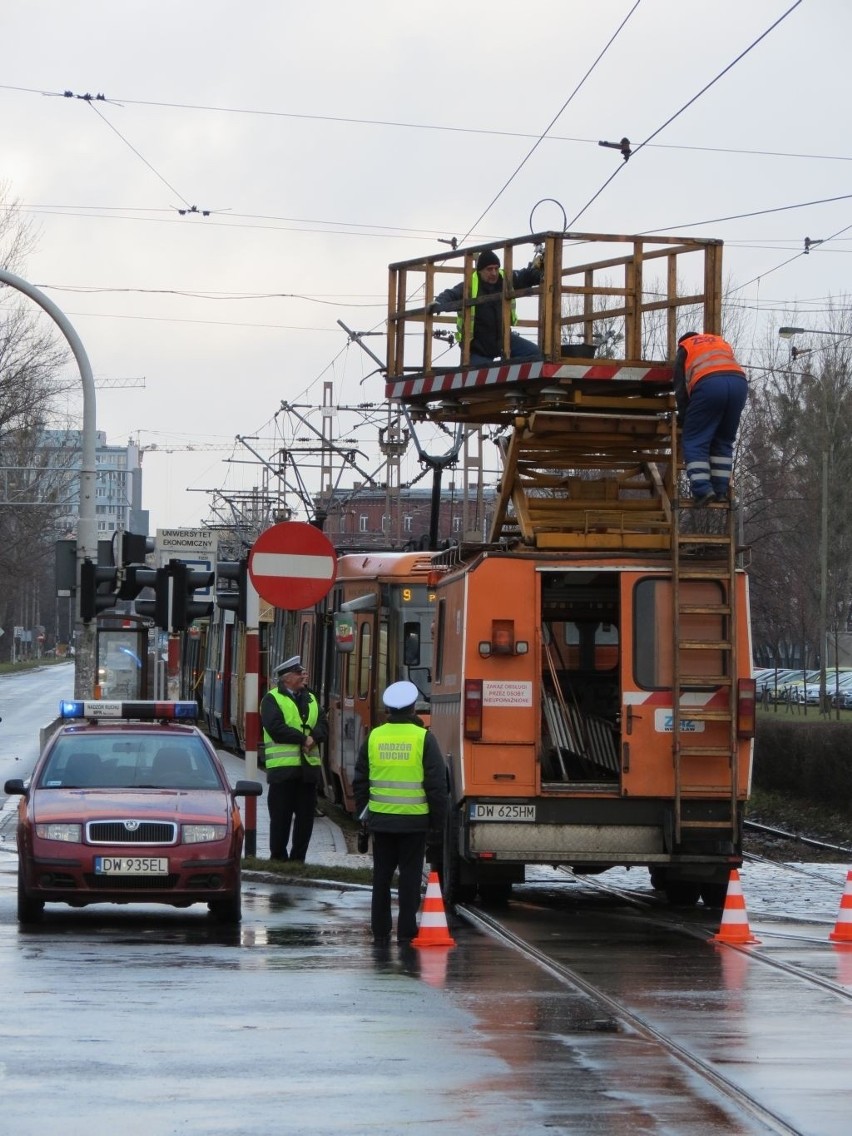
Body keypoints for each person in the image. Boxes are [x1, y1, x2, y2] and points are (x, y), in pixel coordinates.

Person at [353, 680, 448, 947]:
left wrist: (363, 813)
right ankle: (407, 930)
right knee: (409, 878)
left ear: (388, 709)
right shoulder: (424, 739)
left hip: (381, 822)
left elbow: (360, 780)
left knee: (381, 878)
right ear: (412, 708)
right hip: (414, 823)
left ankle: (380, 930)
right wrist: (437, 825)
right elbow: (436, 786)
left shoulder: (374, 737)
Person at [261, 656, 328, 862]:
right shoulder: (271, 699)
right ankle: (278, 858)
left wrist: (314, 737)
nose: (303, 676)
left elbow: (324, 726)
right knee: (280, 818)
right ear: (287, 678)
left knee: (305, 819)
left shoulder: (311, 698)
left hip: (308, 771)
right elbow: (275, 728)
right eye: (300, 674)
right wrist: (303, 739)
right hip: (283, 771)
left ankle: (299, 858)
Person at [429, 248, 542, 367]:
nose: (494, 273)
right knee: (477, 374)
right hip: (479, 346)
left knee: (536, 354)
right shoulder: (470, 286)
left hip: (503, 339)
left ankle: (516, 380)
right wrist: (438, 303)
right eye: (489, 269)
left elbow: (525, 277)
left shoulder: (505, 278)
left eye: (496, 268)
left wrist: (539, 271)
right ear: (480, 271)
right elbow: (451, 294)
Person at [673, 331, 748, 506]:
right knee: (723, 439)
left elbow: (680, 389)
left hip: (709, 385)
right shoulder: (719, 341)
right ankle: (720, 491)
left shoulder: (685, 347)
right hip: (739, 384)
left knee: (694, 440)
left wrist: (684, 418)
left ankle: (703, 490)